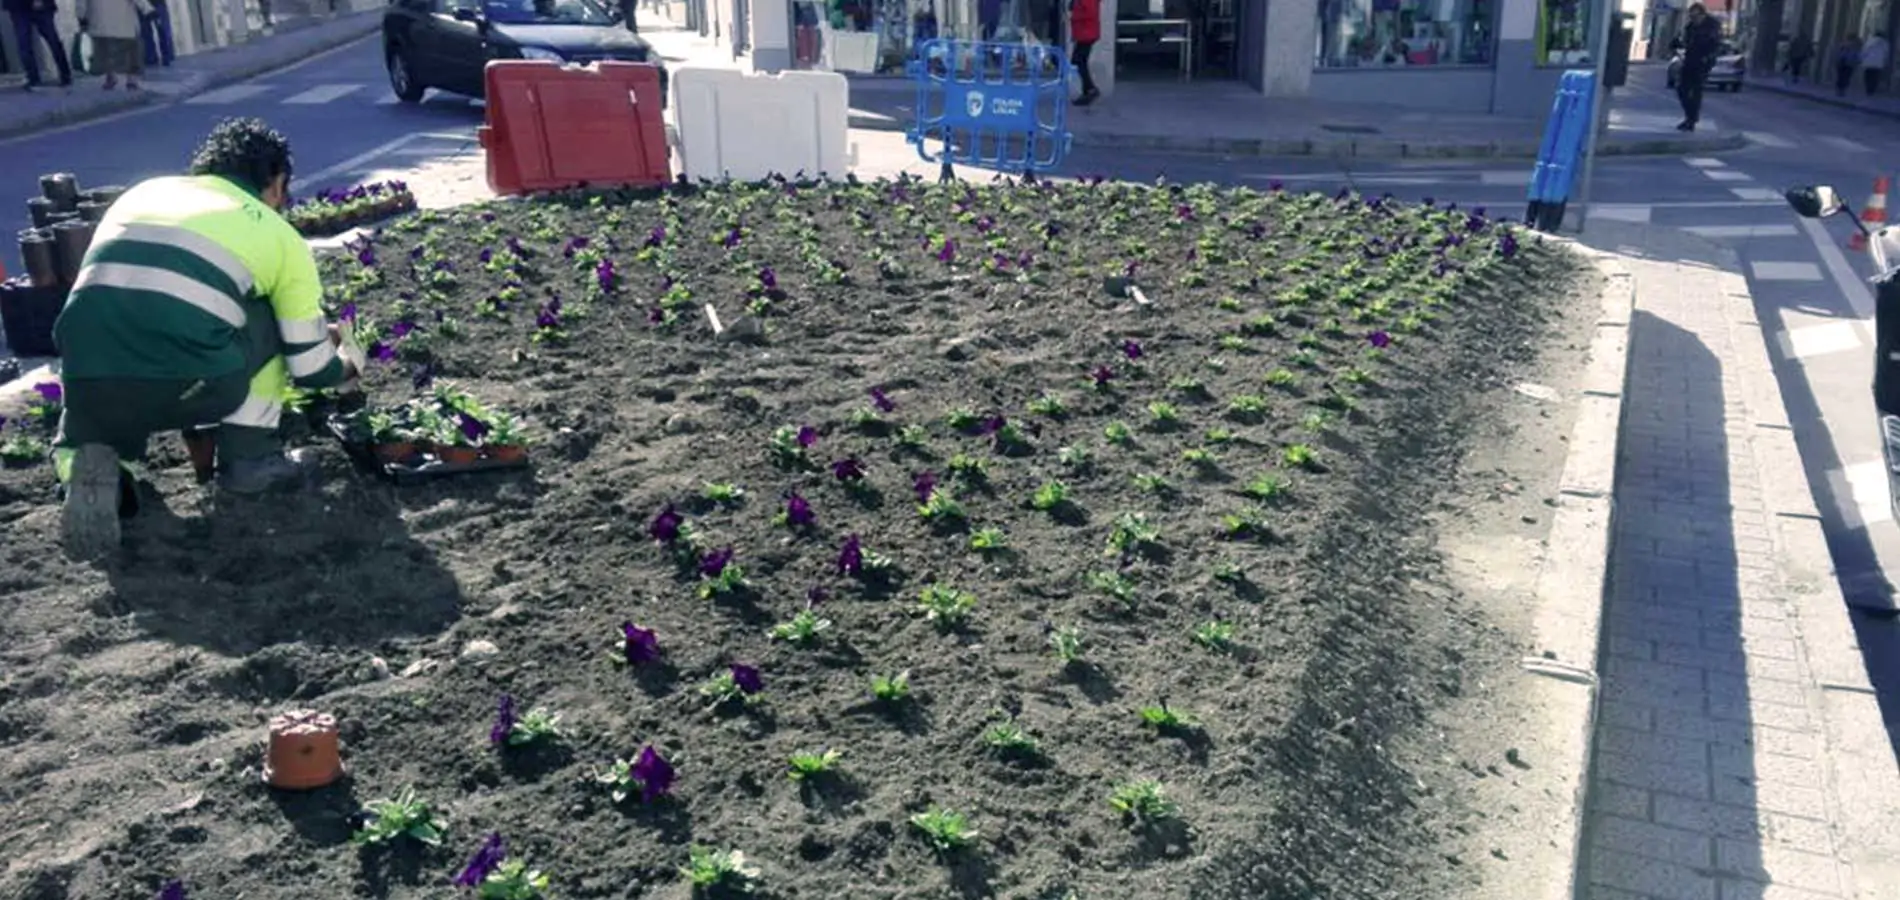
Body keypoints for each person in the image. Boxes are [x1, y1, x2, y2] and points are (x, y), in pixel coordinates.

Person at [52, 117, 360, 561]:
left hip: (89, 376)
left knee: (85, 434)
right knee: (264, 317)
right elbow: (310, 368)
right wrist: (347, 363)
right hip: (188, 381)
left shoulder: (142, 194)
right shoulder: (278, 235)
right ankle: (251, 461)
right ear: (275, 184)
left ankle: (95, 469)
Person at [76, 0, 150, 90]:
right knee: (130, 50)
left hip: (99, 17)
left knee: (105, 49)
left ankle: (110, 76)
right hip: (123, 18)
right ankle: (131, 79)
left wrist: (81, 14)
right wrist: (147, 9)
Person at [1673, 2, 1723, 132]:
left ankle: (1691, 120)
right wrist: (1677, 44)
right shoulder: (1690, 27)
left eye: (1695, 17)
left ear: (1702, 15)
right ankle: (1691, 116)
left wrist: (1708, 58)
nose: (1693, 19)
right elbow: (1686, 41)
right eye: (1691, 17)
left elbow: (1716, 45)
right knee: (1681, 89)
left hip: (1703, 62)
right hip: (1690, 60)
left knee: (1696, 90)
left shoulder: (1712, 26)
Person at [3, 0, 74, 90]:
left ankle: (64, 74)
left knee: (50, 40)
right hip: (19, 7)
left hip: (33, 6)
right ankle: (34, 77)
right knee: (26, 44)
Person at [1069, 0, 1098, 106]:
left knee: (1078, 60)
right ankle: (1088, 91)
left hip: (1087, 33)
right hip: (1084, 33)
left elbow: (1090, 13)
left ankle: (1090, 89)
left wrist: (1073, 16)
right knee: (1079, 61)